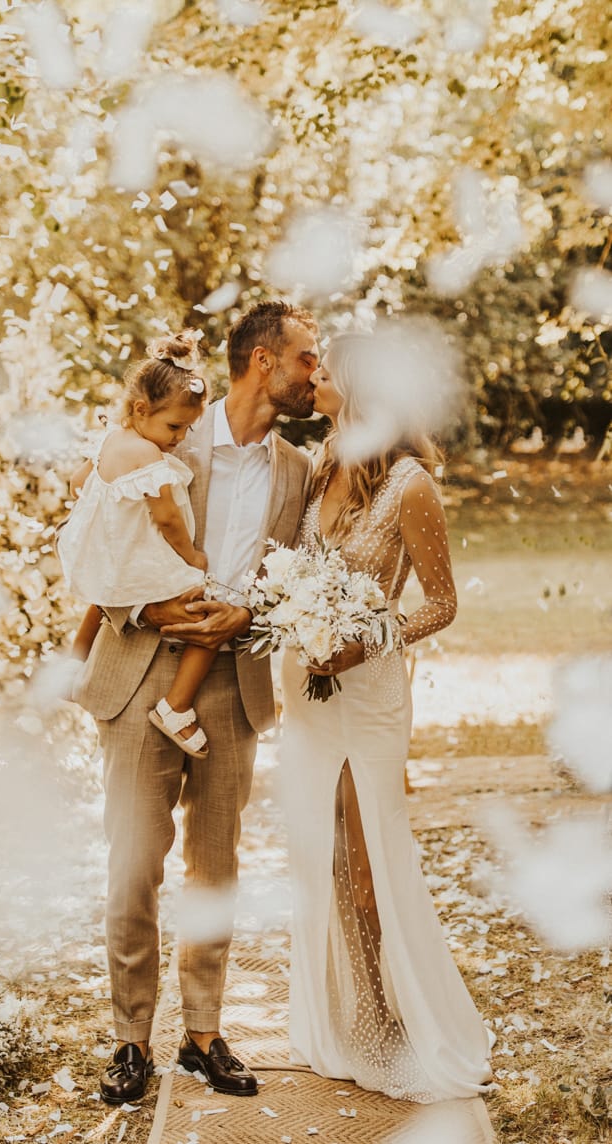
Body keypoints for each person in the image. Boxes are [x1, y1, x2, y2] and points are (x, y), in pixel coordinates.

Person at [72, 301, 319, 1104]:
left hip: (233, 679)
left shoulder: (297, 472)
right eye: (304, 359)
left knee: (215, 866)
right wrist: (144, 611)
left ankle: (203, 1034)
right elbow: (98, 545)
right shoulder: (162, 438)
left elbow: (301, 582)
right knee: (132, 866)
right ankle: (130, 1040)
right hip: (144, 669)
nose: (313, 375)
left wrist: (253, 613)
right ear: (262, 362)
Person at [279, 331, 493, 1102]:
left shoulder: (410, 486)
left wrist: (363, 640)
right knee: (322, 852)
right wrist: (300, 625)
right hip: (305, 693)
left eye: (325, 372)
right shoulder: (324, 466)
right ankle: (344, 1014)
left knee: (369, 852)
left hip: (367, 696)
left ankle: (394, 1021)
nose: (314, 380)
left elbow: (440, 604)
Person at [59, 332, 215, 758]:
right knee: (205, 615)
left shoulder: (111, 440)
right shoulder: (146, 456)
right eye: (174, 426)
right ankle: (176, 707)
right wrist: (192, 558)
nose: (180, 437)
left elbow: (77, 483)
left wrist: (107, 515)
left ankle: (74, 661)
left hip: (113, 552)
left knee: (105, 593)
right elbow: (167, 518)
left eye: (187, 428)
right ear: (141, 409)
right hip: (144, 554)